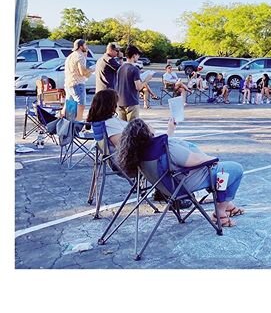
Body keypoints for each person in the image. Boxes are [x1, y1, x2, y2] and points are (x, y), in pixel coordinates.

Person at [117, 118, 245, 228]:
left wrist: (170, 131)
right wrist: (212, 159)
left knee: (220, 172)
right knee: (233, 169)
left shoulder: (141, 152)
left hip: (167, 187)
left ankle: (228, 205)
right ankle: (220, 214)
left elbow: (165, 157)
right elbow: (194, 160)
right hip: (184, 183)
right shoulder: (167, 146)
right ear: (146, 131)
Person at [115, 45, 152, 121]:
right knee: (132, 128)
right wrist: (146, 80)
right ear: (134, 55)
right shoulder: (134, 69)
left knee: (123, 128)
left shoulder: (120, 68)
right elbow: (138, 87)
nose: (138, 57)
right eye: (138, 55)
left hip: (120, 101)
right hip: (132, 102)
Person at [63, 38, 95, 121]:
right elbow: (83, 72)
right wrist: (92, 70)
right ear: (81, 46)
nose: (87, 47)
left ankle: (67, 126)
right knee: (80, 106)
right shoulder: (80, 56)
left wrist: (86, 54)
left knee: (70, 107)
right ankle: (77, 127)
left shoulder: (70, 56)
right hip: (78, 83)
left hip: (68, 84)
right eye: (85, 45)